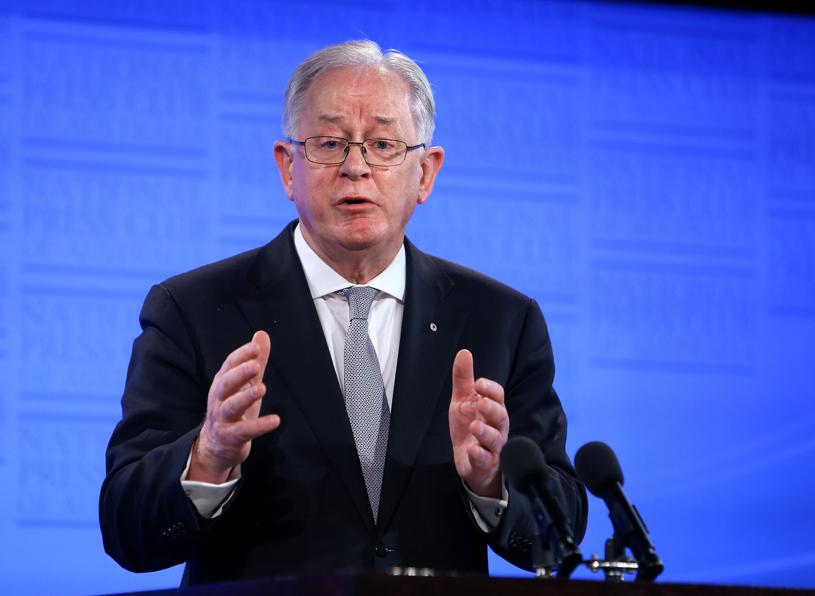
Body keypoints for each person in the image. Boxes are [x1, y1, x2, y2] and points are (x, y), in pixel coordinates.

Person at [99, 40, 586, 585]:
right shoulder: (193, 310)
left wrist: (491, 483)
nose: (356, 167)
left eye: (383, 144)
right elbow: (125, 528)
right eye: (329, 143)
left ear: (425, 173)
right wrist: (208, 456)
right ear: (288, 168)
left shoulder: (502, 320)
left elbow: (560, 533)